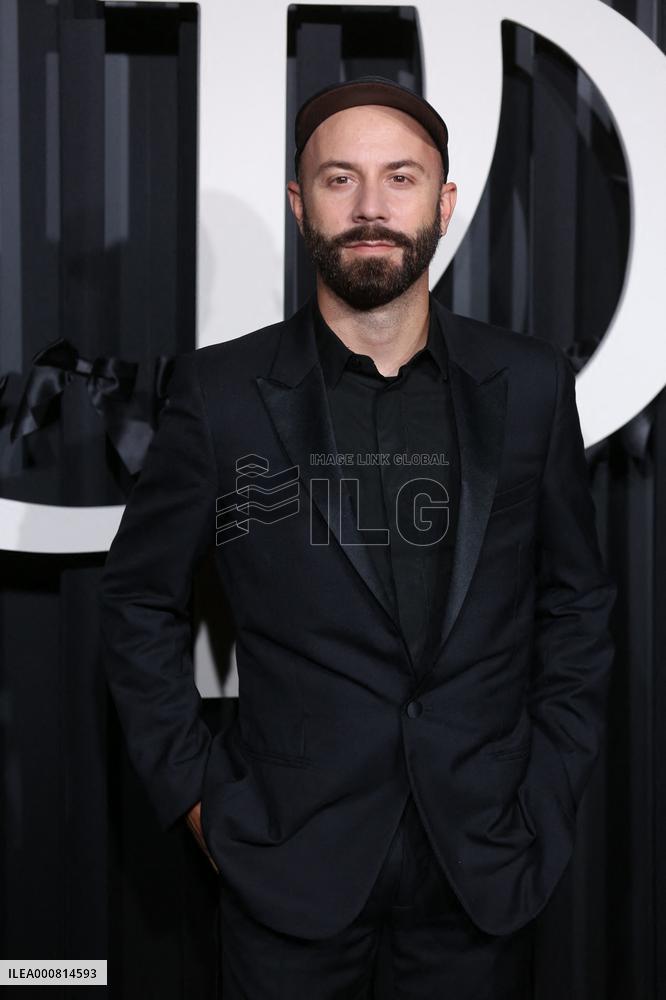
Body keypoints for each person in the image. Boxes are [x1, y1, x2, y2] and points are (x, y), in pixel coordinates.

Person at [98, 76, 617, 999]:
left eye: (401, 178)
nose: (372, 207)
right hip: (287, 865)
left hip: (484, 867)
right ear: (300, 204)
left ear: (445, 202)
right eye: (340, 180)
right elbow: (139, 600)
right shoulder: (220, 396)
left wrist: (547, 789)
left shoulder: (531, 386)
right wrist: (198, 800)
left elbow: (576, 602)